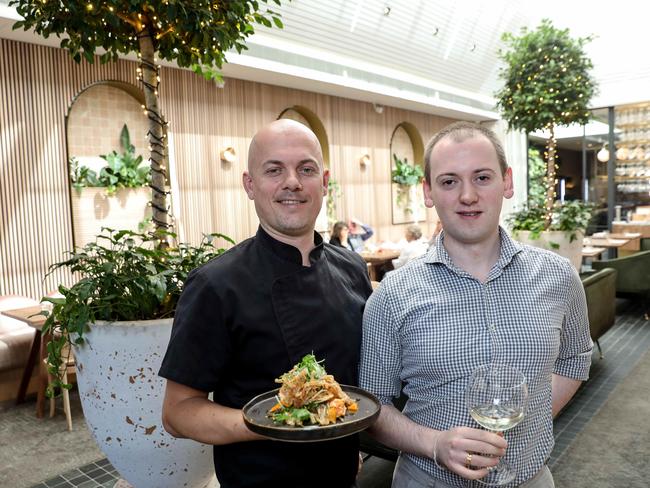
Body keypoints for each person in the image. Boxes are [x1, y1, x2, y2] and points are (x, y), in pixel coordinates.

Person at [359, 121, 592, 488]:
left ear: (508, 182)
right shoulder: (392, 295)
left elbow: (575, 358)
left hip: (531, 479)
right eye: (449, 181)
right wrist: (435, 445)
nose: (467, 195)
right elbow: (373, 407)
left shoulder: (559, 277)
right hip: (427, 481)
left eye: (482, 177)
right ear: (429, 191)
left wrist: (527, 421)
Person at [159, 119, 373, 488]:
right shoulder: (215, 285)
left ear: (324, 182)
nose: (292, 181)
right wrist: (276, 423)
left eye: (305, 169)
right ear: (250, 185)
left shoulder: (352, 268)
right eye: (274, 170)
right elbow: (177, 414)